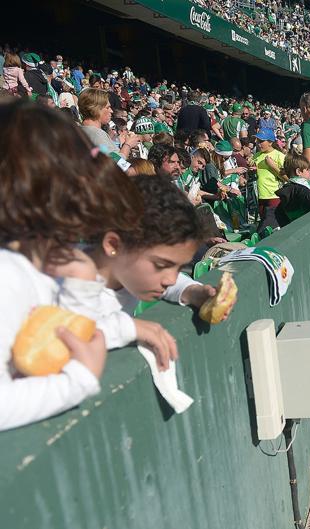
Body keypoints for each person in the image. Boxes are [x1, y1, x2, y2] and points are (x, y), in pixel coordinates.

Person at [0, 99, 144, 431]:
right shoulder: (7, 274)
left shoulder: (54, 264)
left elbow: (72, 341)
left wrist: (80, 284)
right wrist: (78, 380)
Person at [59, 176, 223, 371]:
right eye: (161, 265)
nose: (170, 279)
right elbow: (62, 331)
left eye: (178, 267)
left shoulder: (128, 272)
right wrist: (129, 328)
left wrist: (193, 291)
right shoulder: (65, 275)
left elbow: (170, 278)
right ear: (113, 245)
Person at [78, 88, 138, 160]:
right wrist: (128, 145)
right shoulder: (96, 134)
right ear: (96, 109)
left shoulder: (80, 130)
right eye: (108, 107)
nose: (111, 111)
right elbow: (117, 163)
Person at [252, 128, 286, 231]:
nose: (258, 144)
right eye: (257, 140)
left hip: (274, 196)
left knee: (272, 228)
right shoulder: (256, 155)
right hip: (260, 197)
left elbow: (287, 178)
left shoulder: (280, 156)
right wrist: (252, 171)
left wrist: (273, 167)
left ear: (270, 142)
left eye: (261, 141)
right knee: (265, 229)